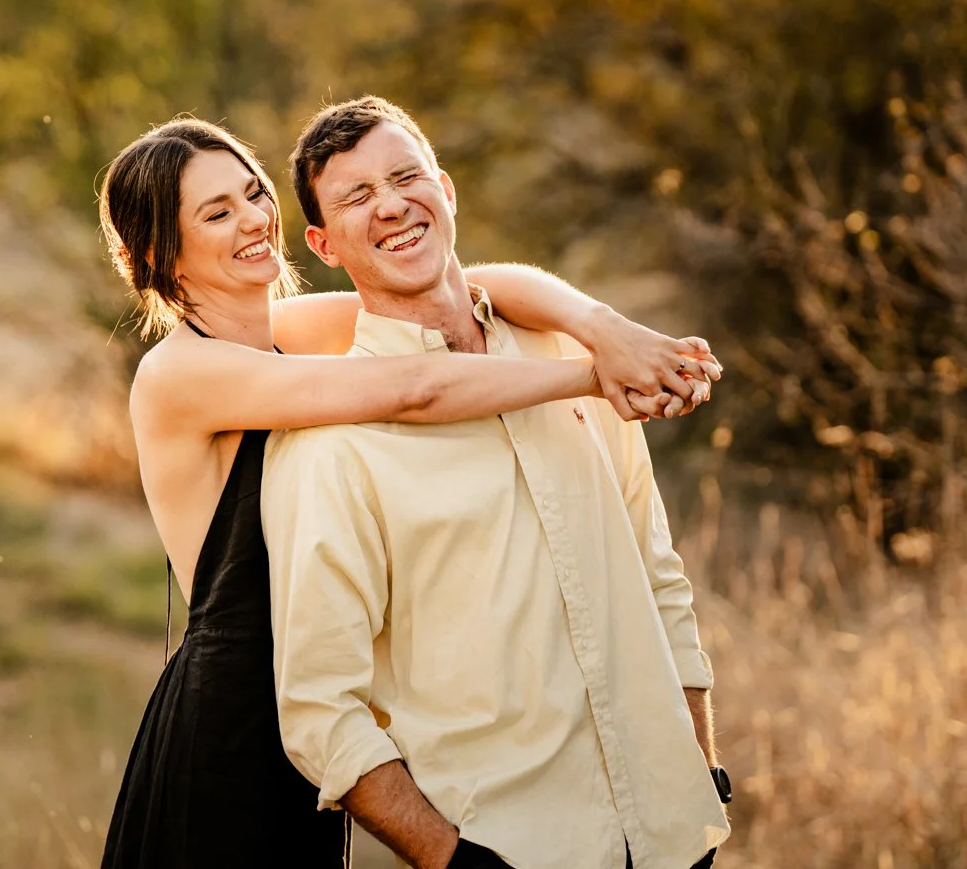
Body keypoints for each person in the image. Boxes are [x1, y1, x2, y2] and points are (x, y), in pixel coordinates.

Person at [94, 116, 719, 868]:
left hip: (329, 714)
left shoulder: (287, 332)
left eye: (253, 194)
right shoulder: (178, 375)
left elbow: (483, 283)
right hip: (235, 717)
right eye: (216, 213)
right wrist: (595, 376)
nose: (254, 220)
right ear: (162, 254)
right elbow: (416, 386)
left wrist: (604, 326)